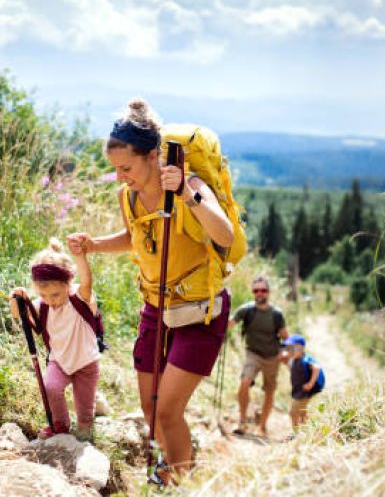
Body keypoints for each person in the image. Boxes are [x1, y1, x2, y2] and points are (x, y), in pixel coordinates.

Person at [67, 98, 234, 483]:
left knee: (168, 411)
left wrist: (190, 197)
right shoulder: (128, 196)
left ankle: (179, 481)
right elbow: (134, 236)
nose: (120, 176)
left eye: (126, 167)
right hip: (155, 307)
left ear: (153, 155)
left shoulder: (189, 185)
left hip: (199, 310)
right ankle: (172, 469)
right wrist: (93, 244)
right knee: (149, 406)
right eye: (115, 169)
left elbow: (223, 234)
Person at [9, 239, 101, 440]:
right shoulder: (42, 305)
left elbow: (87, 281)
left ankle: (86, 433)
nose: (51, 300)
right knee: (51, 387)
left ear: (69, 283)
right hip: (59, 360)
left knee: (85, 412)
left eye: (56, 294)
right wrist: (15, 299)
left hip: (86, 363)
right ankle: (61, 425)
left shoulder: (79, 298)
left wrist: (80, 257)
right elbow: (19, 314)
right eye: (43, 294)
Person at [228, 275, 288, 437]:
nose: (260, 293)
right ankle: (242, 421)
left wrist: (285, 351)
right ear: (253, 292)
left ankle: (262, 426)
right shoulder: (246, 310)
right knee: (244, 382)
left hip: (272, 357)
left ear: (268, 292)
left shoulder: (276, 314)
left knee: (269, 391)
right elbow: (230, 323)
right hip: (252, 353)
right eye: (256, 290)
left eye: (263, 290)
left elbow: (285, 337)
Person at [278, 334, 325, 428]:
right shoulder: (294, 360)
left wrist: (310, 383)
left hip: (306, 390)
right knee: (302, 411)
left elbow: (316, 368)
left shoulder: (305, 359)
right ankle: (305, 428)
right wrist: (284, 360)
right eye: (288, 349)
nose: (290, 351)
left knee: (293, 412)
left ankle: (296, 431)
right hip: (300, 390)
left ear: (301, 349)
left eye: (292, 349)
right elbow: (292, 369)